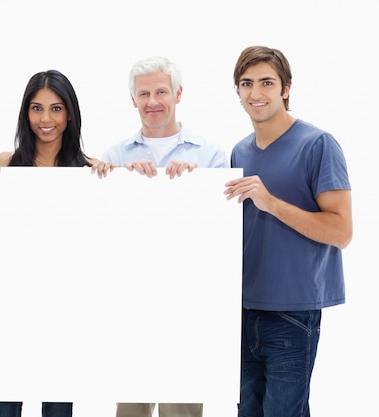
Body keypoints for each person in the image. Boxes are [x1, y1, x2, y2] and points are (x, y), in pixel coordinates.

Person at [224, 46, 353, 417]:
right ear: (238, 92)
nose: (256, 93)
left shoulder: (318, 145)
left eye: (267, 82)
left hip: (292, 313)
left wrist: (272, 202)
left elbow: (342, 231)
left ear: (286, 88)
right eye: (246, 83)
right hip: (240, 310)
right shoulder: (239, 152)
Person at [99, 56, 227, 417]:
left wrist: (197, 185)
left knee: (180, 412)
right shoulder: (114, 156)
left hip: (187, 307)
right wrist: (120, 178)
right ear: (132, 100)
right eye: (144, 94)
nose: (152, 101)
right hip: (130, 306)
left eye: (160, 91)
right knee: (131, 411)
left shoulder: (210, 155)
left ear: (178, 93)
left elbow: (222, 235)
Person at [0, 69, 101, 417]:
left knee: (57, 410)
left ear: (70, 113)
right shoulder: (4, 164)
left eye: (56, 109)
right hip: (9, 309)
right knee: (5, 408)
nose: (46, 119)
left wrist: (117, 178)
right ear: (25, 113)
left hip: (65, 312)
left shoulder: (90, 170)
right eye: (37, 108)